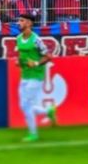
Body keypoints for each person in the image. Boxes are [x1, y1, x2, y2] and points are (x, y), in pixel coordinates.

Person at [14, 12, 57, 142]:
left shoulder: (36, 40)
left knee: (27, 104)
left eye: (21, 21)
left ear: (29, 23)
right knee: (23, 105)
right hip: (25, 75)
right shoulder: (19, 38)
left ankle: (33, 134)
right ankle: (48, 111)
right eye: (19, 21)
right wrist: (19, 62)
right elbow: (22, 57)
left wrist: (36, 63)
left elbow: (48, 56)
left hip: (36, 75)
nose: (18, 23)